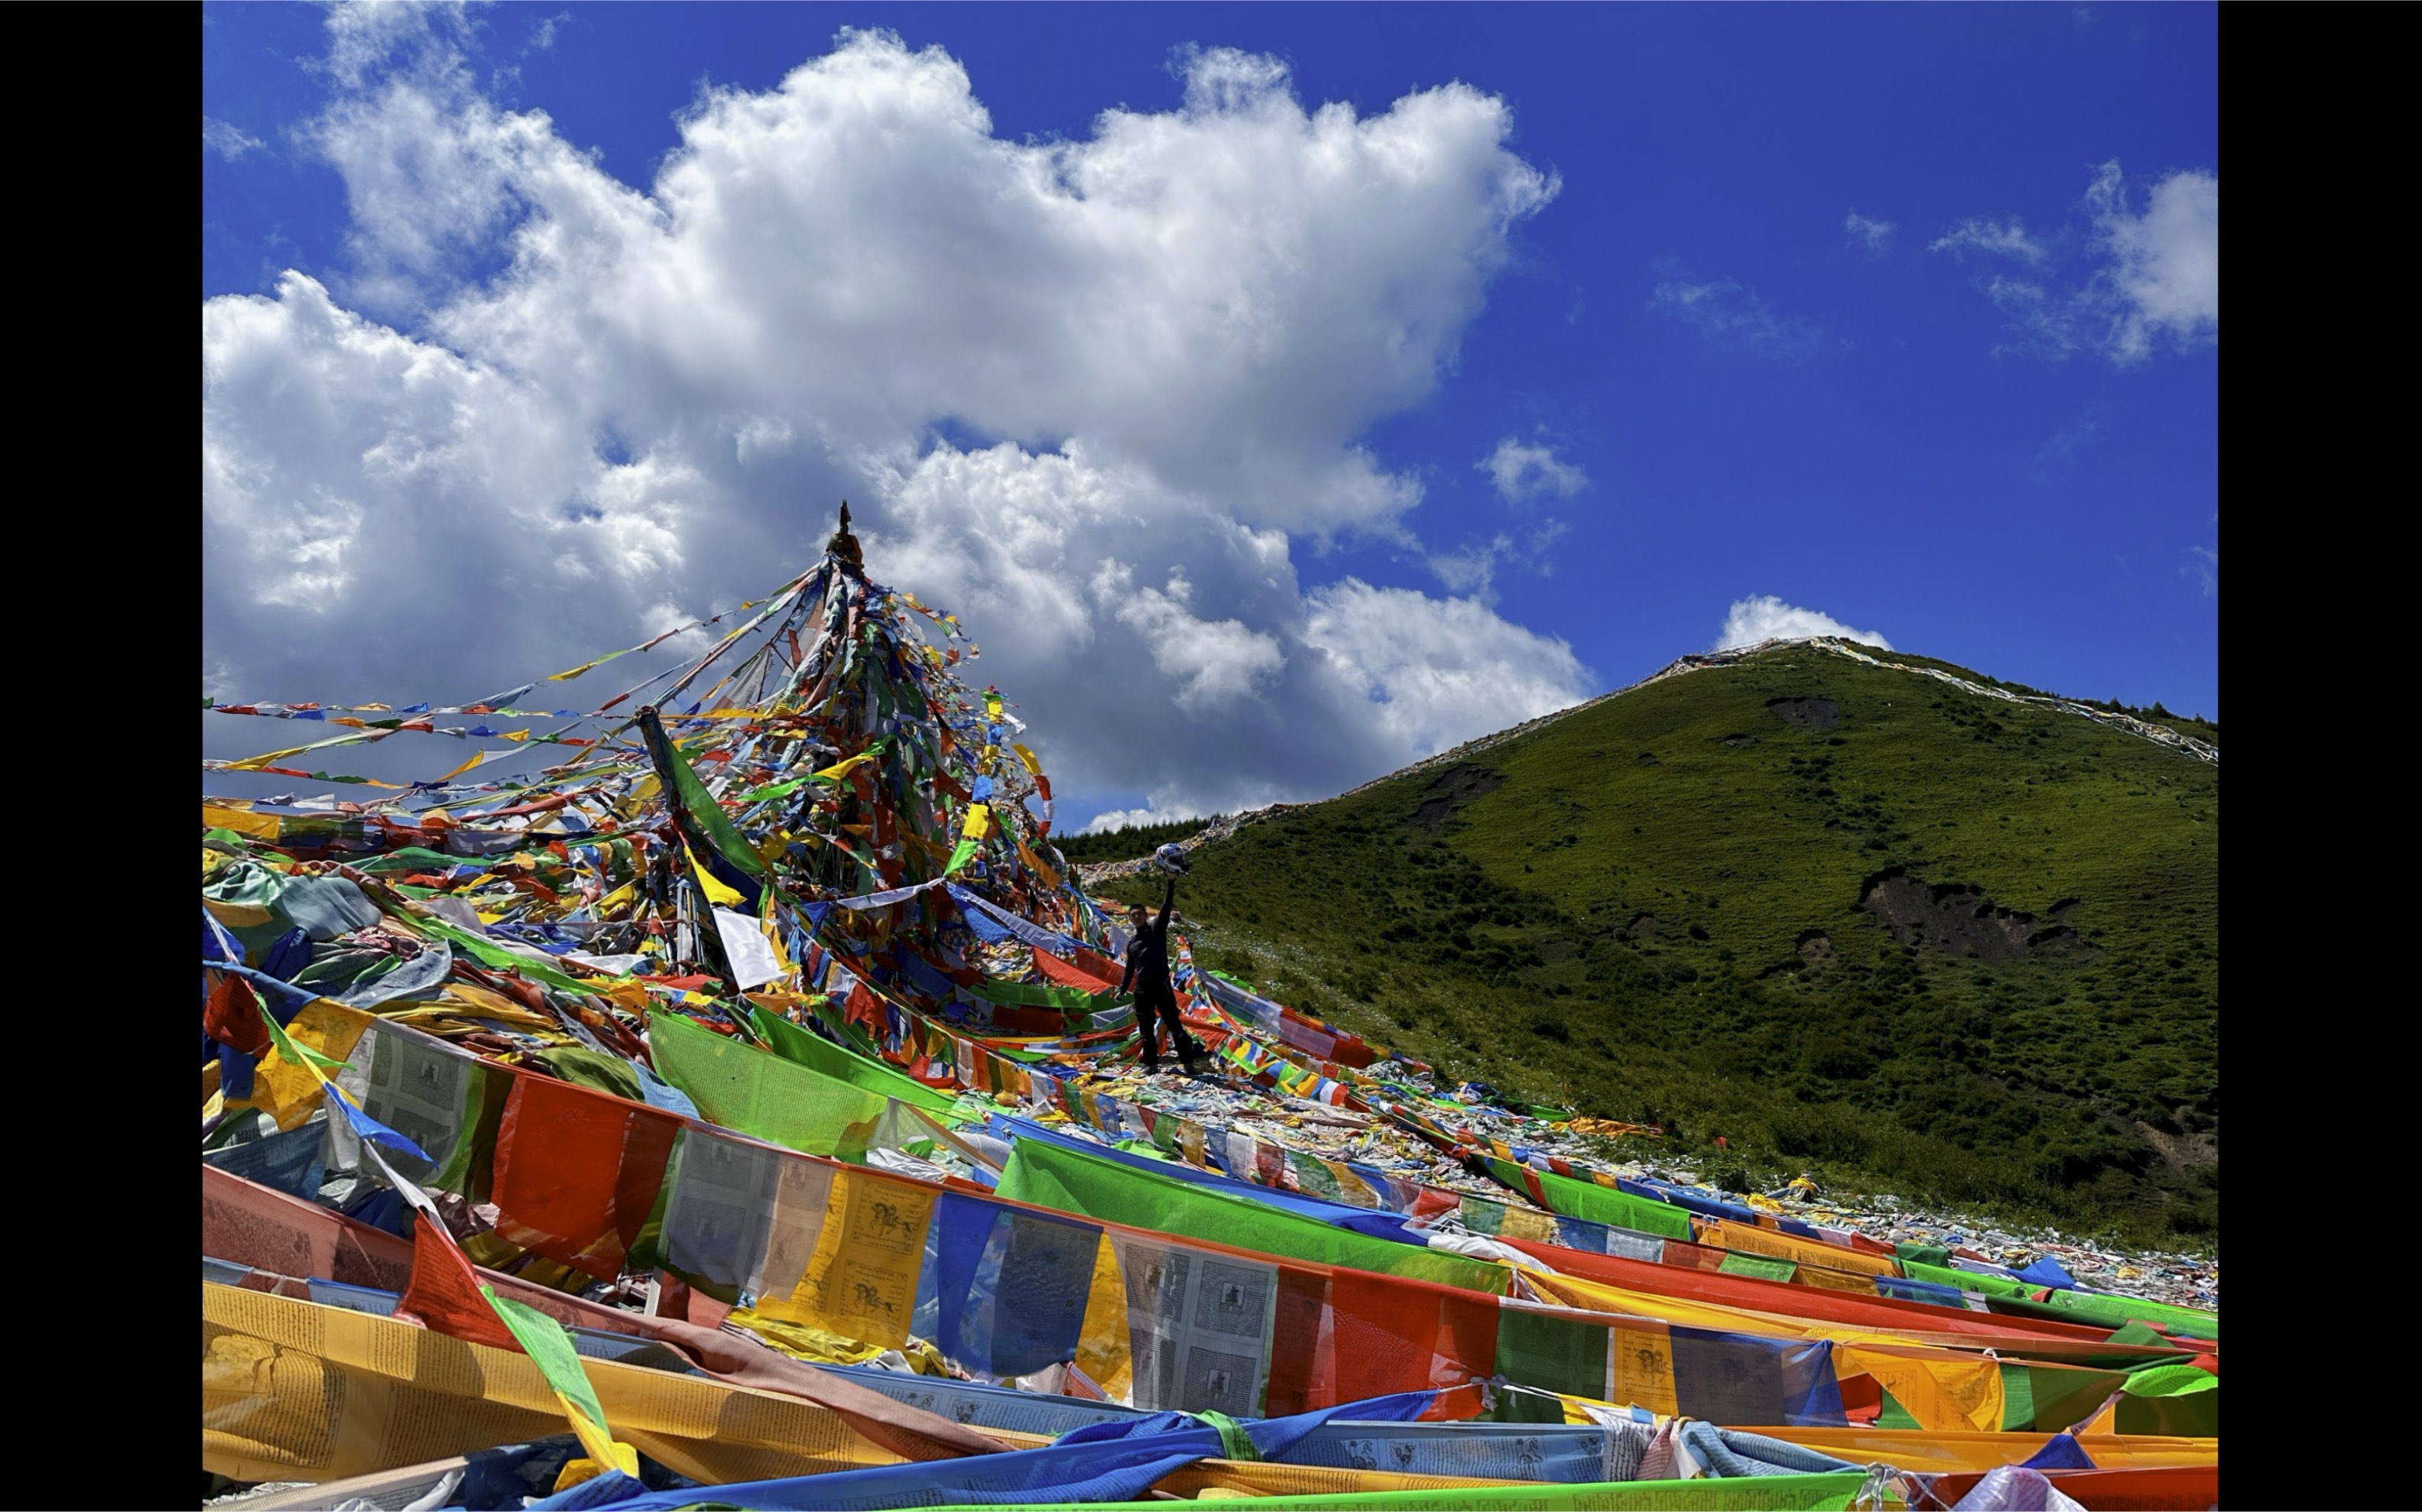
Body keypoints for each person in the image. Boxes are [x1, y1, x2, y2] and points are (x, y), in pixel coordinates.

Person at [1121, 873, 1203, 1075]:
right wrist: (1122, 990)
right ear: (1130, 919)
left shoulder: (1157, 930)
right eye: (1133, 915)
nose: (1137, 917)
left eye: (1139, 913)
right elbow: (1129, 968)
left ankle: (1188, 1062)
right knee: (1146, 1028)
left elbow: (1166, 907)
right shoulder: (1131, 943)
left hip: (1161, 985)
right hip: (1142, 989)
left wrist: (1170, 881)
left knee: (1174, 1024)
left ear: (1146, 916)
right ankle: (1151, 1065)